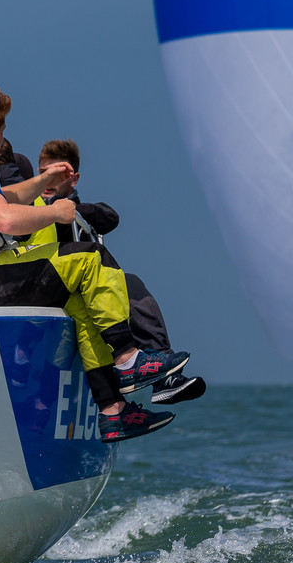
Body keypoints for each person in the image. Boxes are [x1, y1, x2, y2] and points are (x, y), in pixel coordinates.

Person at [0, 83, 187, 441]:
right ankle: (128, 358)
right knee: (91, 257)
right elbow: (5, 219)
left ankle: (113, 411)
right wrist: (57, 212)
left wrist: (42, 180)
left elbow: (0, 197)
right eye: (3, 131)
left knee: (78, 301)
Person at [30, 139, 206, 405]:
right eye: (44, 172)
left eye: (58, 174)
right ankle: (143, 373)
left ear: (73, 179)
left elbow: (110, 217)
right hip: (46, 284)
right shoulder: (28, 206)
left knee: (129, 284)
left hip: (83, 284)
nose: (49, 180)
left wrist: (69, 209)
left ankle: (164, 376)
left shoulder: (80, 213)